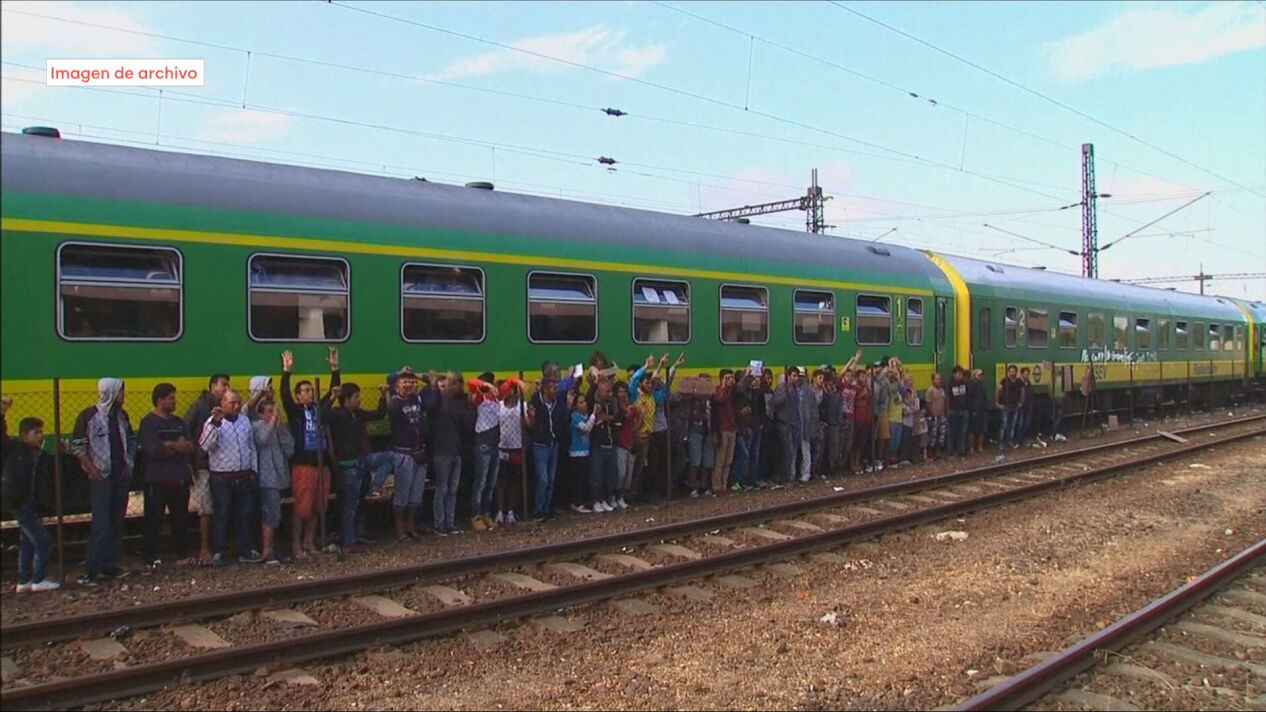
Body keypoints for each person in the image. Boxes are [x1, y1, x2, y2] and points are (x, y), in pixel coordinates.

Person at [72, 377, 135, 586]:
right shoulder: (88, 416)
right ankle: (92, 569)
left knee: (117, 522)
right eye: (120, 392)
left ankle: (110, 565)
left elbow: (131, 441)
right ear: (111, 393)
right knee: (101, 524)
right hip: (101, 477)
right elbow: (78, 446)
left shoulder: (122, 416)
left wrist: (129, 463)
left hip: (120, 476)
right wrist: (92, 470)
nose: (123, 396)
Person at [280, 348, 339, 557]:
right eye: (304, 390)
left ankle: (309, 541)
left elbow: (333, 392)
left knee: (317, 507)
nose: (309, 393)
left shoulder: (318, 409)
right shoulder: (296, 411)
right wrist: (287, 372)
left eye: (310, 390)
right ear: (298, 395)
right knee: (302, 508)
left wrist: (335, 370)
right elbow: (285, 396)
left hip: (321, 463)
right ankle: (296, 544)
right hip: (303, 464)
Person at [199, 389, 261, 566]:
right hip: (222, 478)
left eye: (238, 402)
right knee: (222, 514)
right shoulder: (212, 422)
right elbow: (205, 445)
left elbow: (250, 446)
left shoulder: (244, 421)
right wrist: (215, 424)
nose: (236, 406)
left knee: (245, 514)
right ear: (223, 403)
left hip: (244, 475)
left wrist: (254, 469)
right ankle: (219, 551)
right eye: (232, 403)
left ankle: (246, 550)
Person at [327, 381, 387, 552]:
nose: (359, 399)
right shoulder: (337, 414)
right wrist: (331, 397)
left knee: (389, 457)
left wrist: (383, 397)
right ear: (347, 399)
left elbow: (378, 414)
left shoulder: (358, 413)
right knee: (350, 504)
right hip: (347, 464)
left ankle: (375, 488)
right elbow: (322, 415)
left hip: (360, 460)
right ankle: (349, 539)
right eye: (356, 397)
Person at [139, 383, 193, 569]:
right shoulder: (148, 422)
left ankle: (182, 553)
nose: (175, 401)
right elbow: (154, 449)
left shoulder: (179, 422)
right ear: (160, 401)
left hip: (178, 478)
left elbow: (188, 446)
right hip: (157, 479)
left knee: (181, 519)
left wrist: (169, 445)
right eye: (171, 398)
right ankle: (150, 557)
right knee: (154, 520)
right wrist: (175, 446)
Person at [4, 417, 59, 592]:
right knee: (43, 541)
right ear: (24, 435)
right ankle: (38, 578)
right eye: (36, 432)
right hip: (22, 502)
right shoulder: (16, 450)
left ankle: (24, 580)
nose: (40, 436)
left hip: (30, 502)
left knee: (27, 541)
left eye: (41, 432)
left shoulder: (35, 453)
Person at [184, 373, 230, 567]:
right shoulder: (200, 405)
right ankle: (204, 547)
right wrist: (195, 454)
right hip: (203, 463)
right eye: (223, 385)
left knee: (217, 506)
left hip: (219, 464)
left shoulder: (224, 406)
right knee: (206, 507)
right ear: (213, 386)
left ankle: (216, 546)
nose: (226, 388)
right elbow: (187, 428)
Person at [525, 362, 577, 521]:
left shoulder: (557, 403)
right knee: (543, 479)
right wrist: (531, 418)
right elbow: (531, 425)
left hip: (553, 444)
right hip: (540, 445)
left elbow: (562, 421)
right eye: (553, 388)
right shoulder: (536, 401)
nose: (556, 391)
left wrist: (568, 407)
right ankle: (538, 510)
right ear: (546, 389)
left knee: (551, 479)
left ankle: (546, 509)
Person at [428, 371, 472, 536]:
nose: (453, 387)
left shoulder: (460, 402)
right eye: (450, 384)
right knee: (442, 488)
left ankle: (450, 523)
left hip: (455, 449)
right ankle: (439, 524)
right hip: (442, 450)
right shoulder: (439, 402)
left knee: (452, 490)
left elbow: (467, 424)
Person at [386, 367, 427, 540]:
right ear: (396, 387)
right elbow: (390, 379)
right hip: (404, 453)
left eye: (411, 382)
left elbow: (431, 382)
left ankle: (411, 526)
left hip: (420, 452)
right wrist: (399, 373)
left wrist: (416, 375)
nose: (409, 385)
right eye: (405, 382)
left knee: (416, 495)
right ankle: (400, 529)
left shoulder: (417, 400)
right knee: (402, 493)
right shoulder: (395, 403)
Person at [253, 399, 293, 564]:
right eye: (269, 411)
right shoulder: (257, 426)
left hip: (279, 476)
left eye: (275, 411)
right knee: (271, 513)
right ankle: (267, 550)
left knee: (276, 514)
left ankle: (272, 548)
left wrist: (280, 428)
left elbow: (290, 449)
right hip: (265, 478)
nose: (274, 414)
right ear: (261, 414)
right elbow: (262, 441)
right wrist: (271, 426)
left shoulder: (279, 428)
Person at [468, 373, 502, 530]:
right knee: (480, 482)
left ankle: (486, 512)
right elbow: (471, 383)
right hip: (483, 443)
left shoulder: (496, 399)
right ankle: (476, 515)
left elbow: (509, 384)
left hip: (495, 442)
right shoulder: (481, 398)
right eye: (493, 383)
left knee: (491, 482)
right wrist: (485, 386)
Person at [495, 378, 526, 525]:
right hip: (502, 447)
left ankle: (511, 511)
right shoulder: (499, 406)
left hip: (517, 447)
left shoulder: (522, 406)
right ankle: (500, 511)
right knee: (501, 481)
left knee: (514, 481)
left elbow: (530, 424)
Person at [588, 377, 622, 512]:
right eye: (607, 391)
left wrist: (608, 418)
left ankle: (609, 498)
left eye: (611, 391)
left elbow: (619, 417)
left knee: (611, 474)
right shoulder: (594, 403)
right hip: (598, 445)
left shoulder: (613, 402)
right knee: (597, 475)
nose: (610, 394)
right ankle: (597, 500)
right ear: (599, 391)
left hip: (611, 443)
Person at [772, 367, 803, 483]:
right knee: (787, 451)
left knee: (792, 451)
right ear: (788, 376)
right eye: (794, 376)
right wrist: (785, 395)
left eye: (797, 376)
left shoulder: (796, 389)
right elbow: (775, 403)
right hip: (784, 424)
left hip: (794, 423)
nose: (796, 378)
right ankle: (783, 477)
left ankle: (789, 475)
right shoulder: (782, 388)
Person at [567, 393, 597, 513]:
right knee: (578, 479)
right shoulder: (575, 416)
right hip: (576, 452)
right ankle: (576, 502)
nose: (584, 404)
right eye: (580, 402)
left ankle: (584, 502)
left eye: (584, 402)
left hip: (586, 451)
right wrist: (594, 415)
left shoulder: (587, 416)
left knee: (585, 478)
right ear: (575, 406)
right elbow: (586, 428)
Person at [683, 380, 713, 496]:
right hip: (695, 430)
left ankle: (703, 486)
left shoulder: (711, 400)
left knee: (707, 460)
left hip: (709, 431)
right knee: (695, 459)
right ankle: (692, 486)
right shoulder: (692, 401)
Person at [710, 368, 737, 495]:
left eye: (731, 378)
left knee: (728, 460)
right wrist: (723, 387)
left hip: (732, 428)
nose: (730, 380)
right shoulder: (718, 391)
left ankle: (724, 485)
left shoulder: (733, 392)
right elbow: (719, 400)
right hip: (722, 429)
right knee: (720, 460)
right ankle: (716, 486)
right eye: (727, 378)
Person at [996, 364, 1025, 450]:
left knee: (1012, 425)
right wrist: (997, 403)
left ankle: (1010, 441)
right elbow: (998, 391)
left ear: (1016, 372)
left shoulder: (1019, 381)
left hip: (1015, 405)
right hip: (1005, 406)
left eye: (1014, 371)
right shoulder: (1004, 381)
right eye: (1011, 371)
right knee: (1004, 425)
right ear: (1008, 372)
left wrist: (1021, 402)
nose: (1012, 373)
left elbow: (1022, 391)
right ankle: (1001, 443)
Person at [851, 368, 874, 473]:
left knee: (862, 441)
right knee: (855, 441)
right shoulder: (856, 389)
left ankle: (858, 461)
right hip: (857, 417)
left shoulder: (867, 389)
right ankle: (852, 462)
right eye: (862, 376)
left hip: (865, 416)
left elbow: (870, 402)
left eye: (865, 377)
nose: (864, 379)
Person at [948, 367, 970, 457]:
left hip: (964, 410)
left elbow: (968, 395)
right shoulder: (950, 384)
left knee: (963, 431)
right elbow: (948, 397)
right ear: (954, 375)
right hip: (954, 410)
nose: (960, 376)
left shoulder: (965, 384)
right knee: (954, 432)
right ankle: (953, 450)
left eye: (961, 374)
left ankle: (962, 450)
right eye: (959, 374)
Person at [925, 373, 948, 459]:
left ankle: (938, 452)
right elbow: (928, 403)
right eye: (937, 379)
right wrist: (932, 414)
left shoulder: (942, 390)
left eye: (940, 379)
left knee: (941, 434)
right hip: (934, 416)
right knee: (933, 435)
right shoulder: (930, 391)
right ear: (933, 380)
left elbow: (945, 401)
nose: (939, 381)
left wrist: (946, 411)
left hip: (942, 415)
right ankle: (931, 452)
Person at [968, 369, 989, 454]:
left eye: (982, 375)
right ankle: (972, 448)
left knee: (982, 429)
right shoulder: (971, 385)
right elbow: (970, 398)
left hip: (982, 409)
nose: (981, 377)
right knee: (973, 430)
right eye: (979, 375)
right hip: (974, 410)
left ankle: (980, 447)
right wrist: (972, 409)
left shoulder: (982, 385)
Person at [1017, 367, 1034, 447]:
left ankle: (1023, 439)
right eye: (1025, 374)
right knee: (1020, 424)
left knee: (1026, 424)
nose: (1027, 376)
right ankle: (1018, 440)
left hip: (1028, 405)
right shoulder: (1018, 383)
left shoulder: (1028, 383)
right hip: (1021, 407)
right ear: (1021, 374)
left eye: (1028, 374)